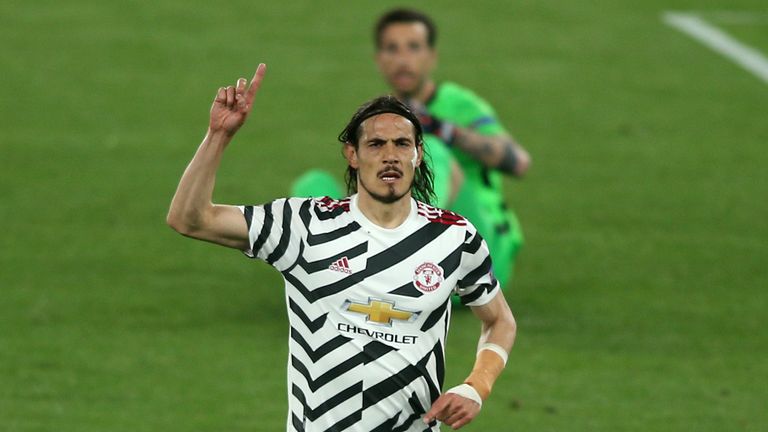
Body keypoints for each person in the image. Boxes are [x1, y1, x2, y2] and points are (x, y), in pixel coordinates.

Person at [167, 64, 517, 431]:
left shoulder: (453, 237)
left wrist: (477, 386)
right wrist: (218, 136)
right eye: (376, 144)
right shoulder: (304, 224)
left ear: (418, 152)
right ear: (352, 154)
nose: (390, 155)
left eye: (402, 144)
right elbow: (190, 219)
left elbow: (499, 320)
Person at [293, 8, 531, 290]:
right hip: (425, 275)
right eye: (392, 49)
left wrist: (445, 130)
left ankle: (400, 251)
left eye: (413, 48)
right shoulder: (382, 118)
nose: (403, 60)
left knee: (431, 150)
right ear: (379, 60)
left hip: (480, 252)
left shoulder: (458, 104)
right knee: (313, 183)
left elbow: (518, 162)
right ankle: (354, 266)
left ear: (431, 57)